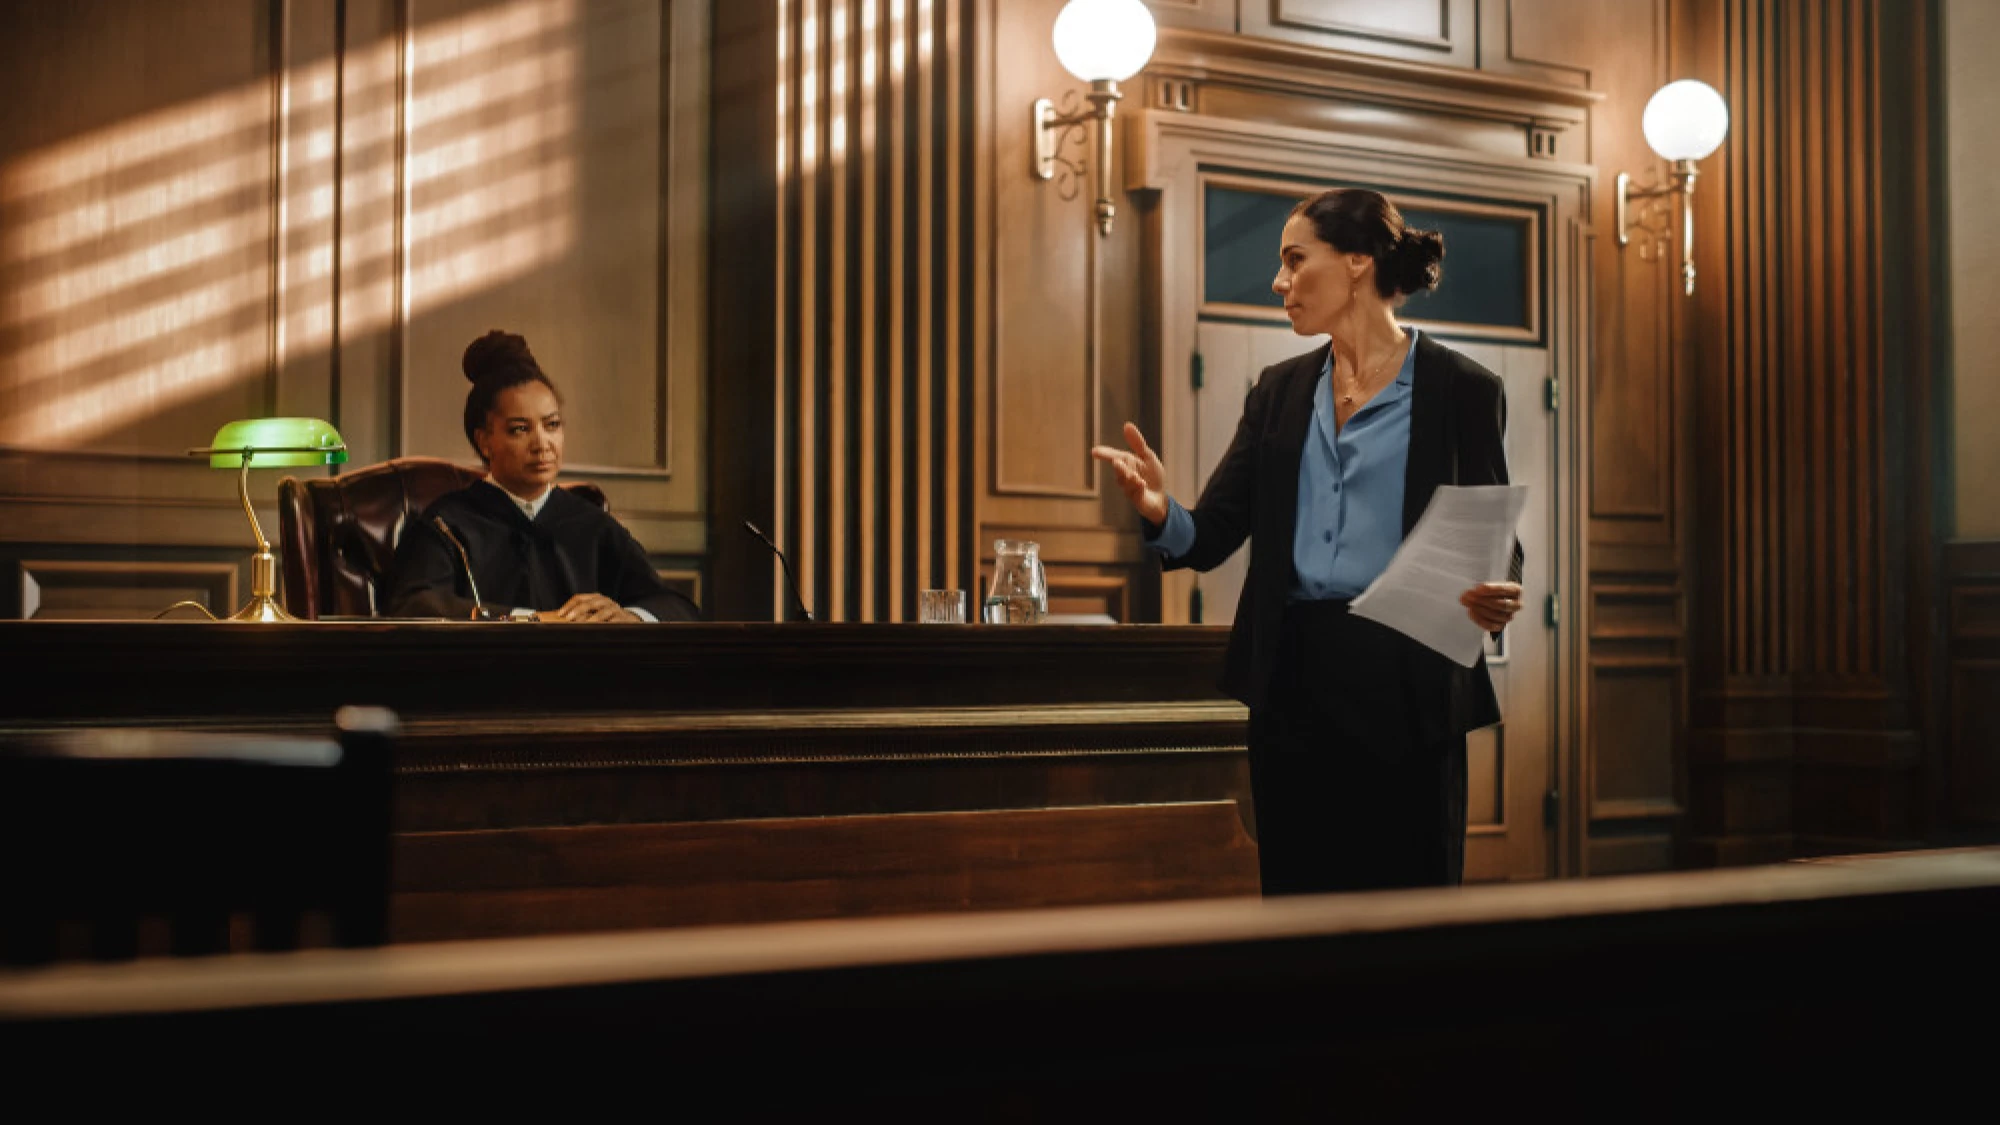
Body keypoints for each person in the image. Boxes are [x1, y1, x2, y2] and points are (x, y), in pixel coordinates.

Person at [1091, 188, 1523, 893]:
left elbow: (1492, 535)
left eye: (1296, 260)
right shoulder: (1278, 391)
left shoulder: (1463, 390)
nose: (1279, 282)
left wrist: (1499, 587)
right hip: (1292, 679)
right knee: (1297, 902)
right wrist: (1159, 506)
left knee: (1408, 900)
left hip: (1407, 681)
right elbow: (1210, 533)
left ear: (1357, 261)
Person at [385, 330, 699, 623]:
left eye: (552, 425)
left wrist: (629, 617)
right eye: (520, 429)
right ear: (484, 441)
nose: (541, 444)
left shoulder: (591, 525)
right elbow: (414, 605)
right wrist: (530, 620)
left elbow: (676, 606)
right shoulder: (448, 524)